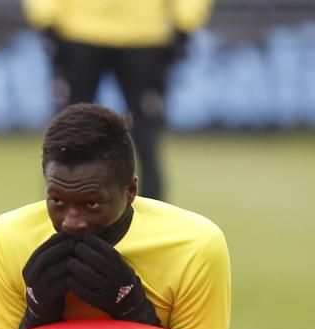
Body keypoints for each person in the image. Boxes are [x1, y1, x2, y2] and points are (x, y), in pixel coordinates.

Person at [0, 103, 230, 329]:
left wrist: (133, 310)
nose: (71, 222)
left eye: (91, 204)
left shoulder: (195, 249)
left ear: (130, 190)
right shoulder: (7, 240)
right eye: (56, 200)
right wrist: (36, 315)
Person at [22, 0, 215, 200]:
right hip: (98, 33)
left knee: (145, 138)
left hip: (129, 34)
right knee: (69, 137)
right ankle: (60, 210)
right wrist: (185, 23)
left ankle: (150, 217)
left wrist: (45, 19)